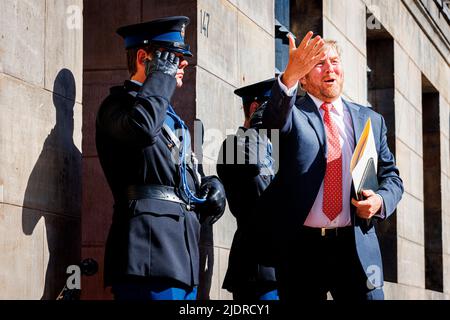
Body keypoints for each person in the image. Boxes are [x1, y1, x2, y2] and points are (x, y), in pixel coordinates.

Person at [259, 32, 404, 300]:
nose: (330, 69)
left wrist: (380, 202)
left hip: (356, 246)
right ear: (303, 77)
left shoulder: (370, 120)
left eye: (334, 61)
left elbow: (392, 178)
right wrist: (287, 77)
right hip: (302, 250)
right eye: (319, 63)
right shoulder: (294, 114)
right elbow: (273, 123)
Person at [95, 16, 226, 300]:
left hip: (182, 256)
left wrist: (211, 185)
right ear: (144, 57)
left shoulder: (170, 116)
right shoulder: (117, 106)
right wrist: (160, 80)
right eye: (173, 57)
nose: (183, 65)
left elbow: (182, 173)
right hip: (148, 256)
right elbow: (142, 130)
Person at [217, 79, 279, 301]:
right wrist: (258, 127)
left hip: (287, 268)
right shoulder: (234, 146)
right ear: (255, 108)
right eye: (276, 107)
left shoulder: (277, 149)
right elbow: (253, 165)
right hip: (257, 268)